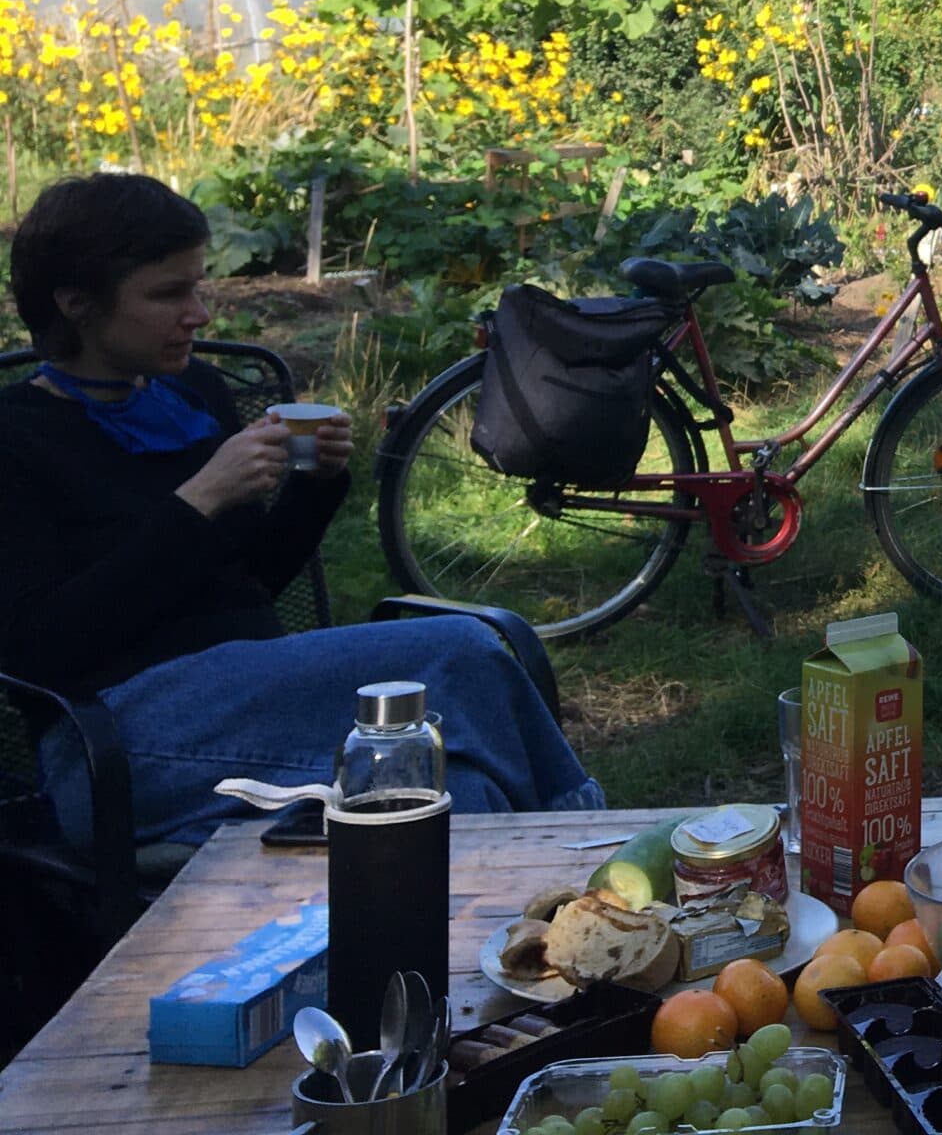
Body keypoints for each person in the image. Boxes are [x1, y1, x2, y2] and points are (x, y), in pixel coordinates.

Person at [0, 173, 604, 849]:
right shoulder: (16, 437)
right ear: (76, 302)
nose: (198, 314)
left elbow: (249, 585)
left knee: (462, 787)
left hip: (259, 704)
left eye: (197, 287)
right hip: (115, 742)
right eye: (169, 294)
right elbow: (37, 648)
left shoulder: (191, 396)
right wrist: (199, 501)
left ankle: (506, 946)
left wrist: (317, 484)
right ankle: (585, 854)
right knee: (459, 652)